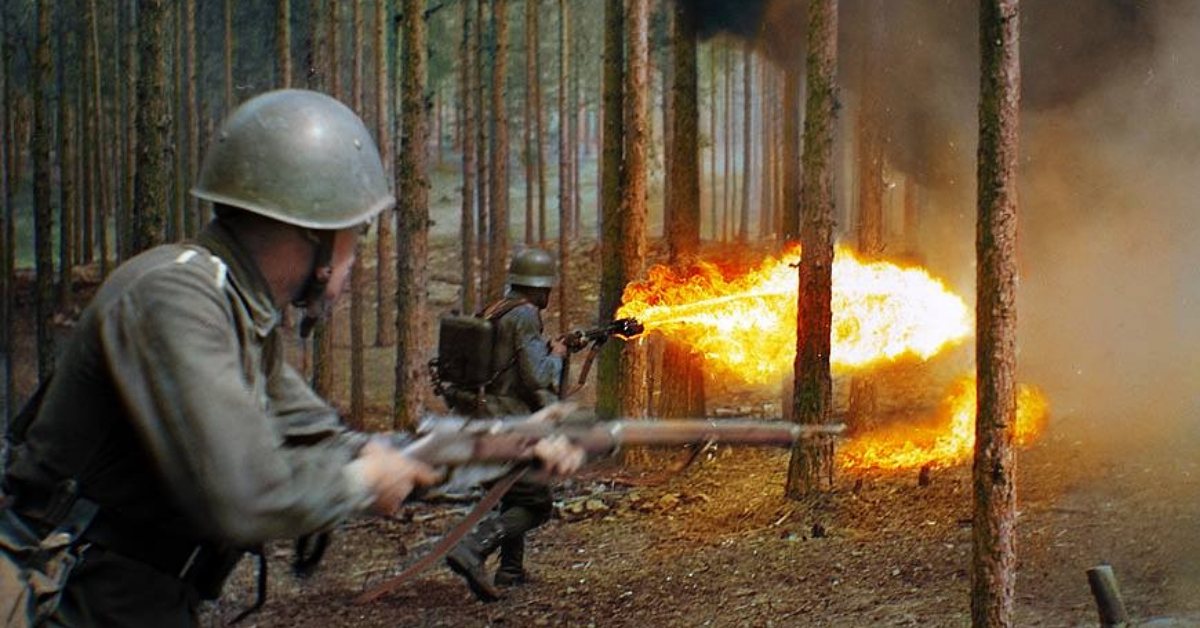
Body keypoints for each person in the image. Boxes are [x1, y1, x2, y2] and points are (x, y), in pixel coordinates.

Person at [0, 89, 581, 627]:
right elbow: (248, 494)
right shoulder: (175, 298)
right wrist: (361, 478)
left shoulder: (239, 313)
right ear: (312, 233)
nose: (354, 261)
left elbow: (335, 445)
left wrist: (509, 447)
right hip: (61, 598)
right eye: (353, 236)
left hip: (135, 598)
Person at [444, 249, 570, 602]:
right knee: (536, 503)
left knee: (512, 492)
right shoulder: (526, 315)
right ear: (540, 288)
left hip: (479, 417)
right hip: (506, 421)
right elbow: (536, 377)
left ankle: (510, 569)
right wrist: (557, 356)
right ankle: (471, 548)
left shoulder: (496, 309)